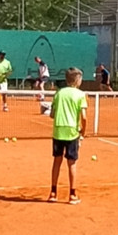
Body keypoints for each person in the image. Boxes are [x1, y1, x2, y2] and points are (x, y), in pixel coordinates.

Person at [49, 67, 87, 204]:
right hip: (72, 132)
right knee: (72, 163)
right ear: (77, 80)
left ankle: (53, 193)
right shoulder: (81, 95)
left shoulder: (58, 93)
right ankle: (72, 195)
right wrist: (82, 133)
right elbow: (84, 117)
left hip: (58, 130)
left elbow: (52, 114)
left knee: (57, 161)